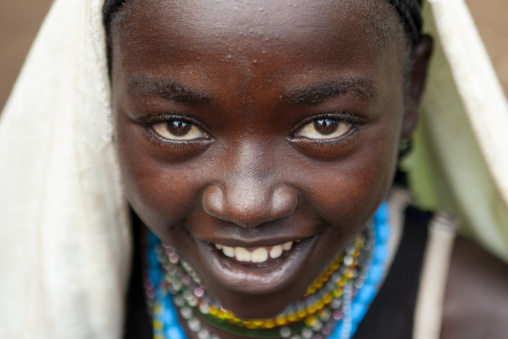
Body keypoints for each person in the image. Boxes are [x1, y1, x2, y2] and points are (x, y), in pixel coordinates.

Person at [1, 0, 508, 339]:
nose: (247, 204)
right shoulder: (39, 294)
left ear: (412, 88)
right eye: (177, 127)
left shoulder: (481, 321)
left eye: (325, 125)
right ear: (101, 93)